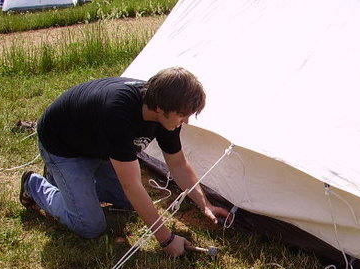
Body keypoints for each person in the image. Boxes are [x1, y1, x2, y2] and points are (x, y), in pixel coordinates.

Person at [19, 67, 229, 257]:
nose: (186, 121)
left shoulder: (165, 114)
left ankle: (65, 183)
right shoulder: (118, 113)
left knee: (131, 203)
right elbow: (132, 185)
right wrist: (167, 239)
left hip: (98, 147)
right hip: (64, 148)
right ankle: (34, 185)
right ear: (160, 108)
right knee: (90, 225)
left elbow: (178, 164)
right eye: (183, 115)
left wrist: (205, 204)